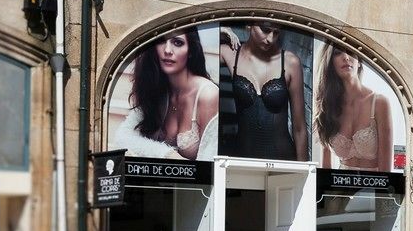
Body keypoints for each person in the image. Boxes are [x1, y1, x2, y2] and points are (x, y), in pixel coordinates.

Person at [108, 30, 218, 161]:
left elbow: (210, 167)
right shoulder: (158, 90)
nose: (167, 50)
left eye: (178, 43)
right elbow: (122, 137)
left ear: (191, 51)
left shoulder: (208, 94)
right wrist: (168, 154)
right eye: (161, 41)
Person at [220, 22, 307, 159]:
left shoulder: (290, 62)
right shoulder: (230, 54)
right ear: (249, 24)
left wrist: (304, 175)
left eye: (276, 33)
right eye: (265, 30)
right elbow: (198, 52)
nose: (270, 39)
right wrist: (221, 29)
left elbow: (299, 128)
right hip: (243, 159)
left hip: (283, 159)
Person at [318, 48, 393, 171]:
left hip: (373, 186)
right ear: (331, 63)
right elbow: (326, 170)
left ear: (359, 62)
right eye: (338, 53)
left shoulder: (380, 103)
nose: (346, 57)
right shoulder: (327, 105)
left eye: (351, 52)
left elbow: (386, 171)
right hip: (339, 186)